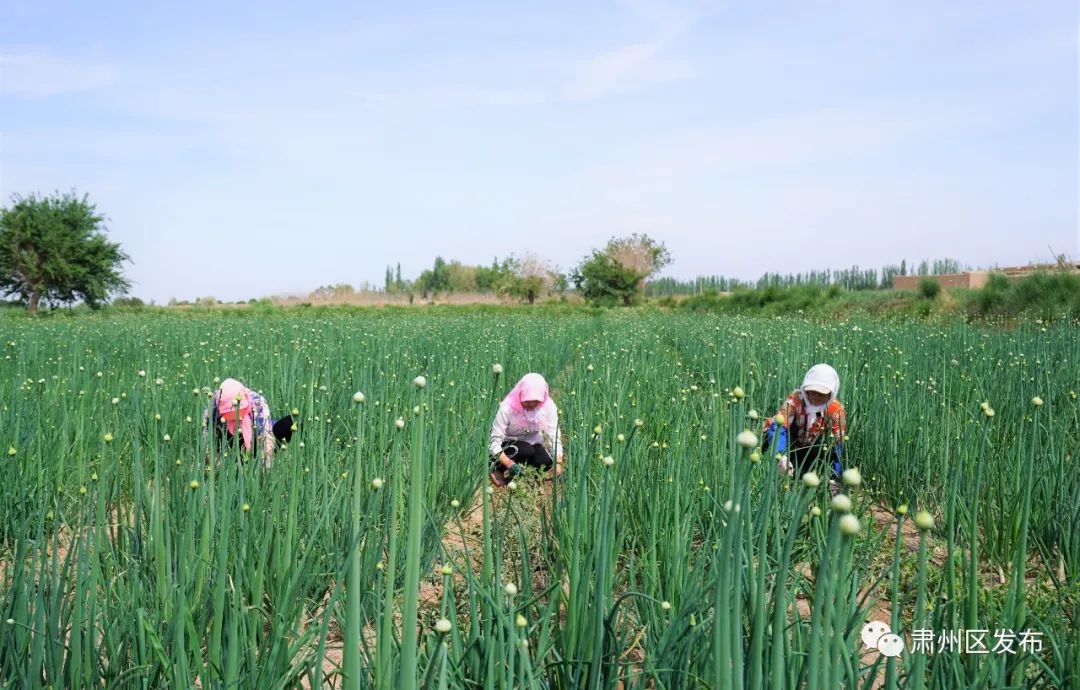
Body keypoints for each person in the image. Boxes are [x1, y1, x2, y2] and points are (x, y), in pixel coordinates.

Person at [762, 364, 846, 481]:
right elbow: (780, 428)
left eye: (821, 393)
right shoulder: (796, 399)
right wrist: (780, 456)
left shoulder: (836, 409)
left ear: (831, 393)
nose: (816, 396)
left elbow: (839, 442)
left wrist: (836, 474)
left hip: (807, 444)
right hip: (782, 437)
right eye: (812, 391)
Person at [489, 373, 564, 486]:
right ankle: (498, 469)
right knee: (525, 450)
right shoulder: (507, 408)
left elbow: (554, 435)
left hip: (533, 443)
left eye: (536, 401)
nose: (532, 404)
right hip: (508, 444)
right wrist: (509, 463)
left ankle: (522, 474)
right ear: (520, 395)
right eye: (527, 400)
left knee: (545, 462)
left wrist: (558, 463)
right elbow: (494, 441)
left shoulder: (548, 407)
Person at [203, 378, 294, 467]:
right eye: (232, 413)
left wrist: (264, 466)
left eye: (240, 411)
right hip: (231, 440)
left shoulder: (258, 402)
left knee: (290, 422)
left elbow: (266, 438)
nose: (237, 417)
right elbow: (208, 444)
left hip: (257, 435)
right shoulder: (212, 408)